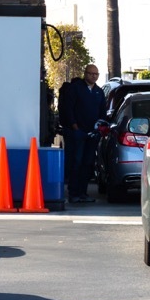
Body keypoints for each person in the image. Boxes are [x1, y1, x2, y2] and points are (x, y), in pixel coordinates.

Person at [59, 64, 106, 203]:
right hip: (77, 133)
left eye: (96, 74)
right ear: (85, 73)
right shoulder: (76, 89)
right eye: (91, 73)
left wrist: (100, 127)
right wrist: (75, 127)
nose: (94, 76)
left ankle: (83, 192)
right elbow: (69, 109)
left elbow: (102, 111)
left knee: (88, 163)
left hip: (92, 134)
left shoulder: (99, 92)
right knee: (76, 162)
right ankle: (73, 193)